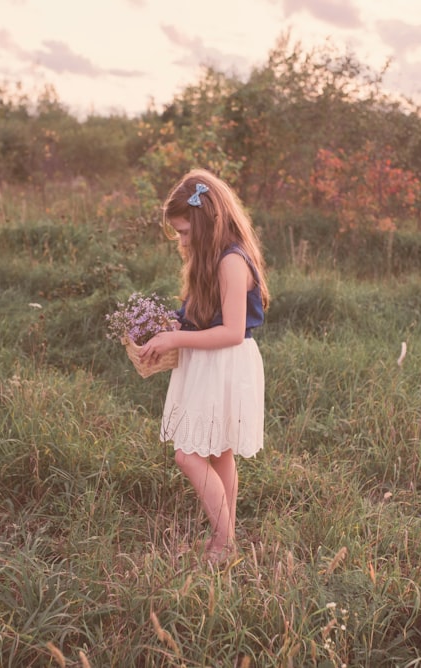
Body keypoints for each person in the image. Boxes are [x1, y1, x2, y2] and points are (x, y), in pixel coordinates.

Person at [139, 168, 269, 565]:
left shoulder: (232, 262)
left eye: (183, 231)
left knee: (188, 454)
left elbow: (231, 332)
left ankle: (224, 542)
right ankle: (222, 536)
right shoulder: (209, 257)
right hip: (208, 361)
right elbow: (207, 316)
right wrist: (176, 323)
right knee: (220, 453)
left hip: (225, 363)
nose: (180, 240)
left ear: (204, 222)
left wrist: (177, 339)